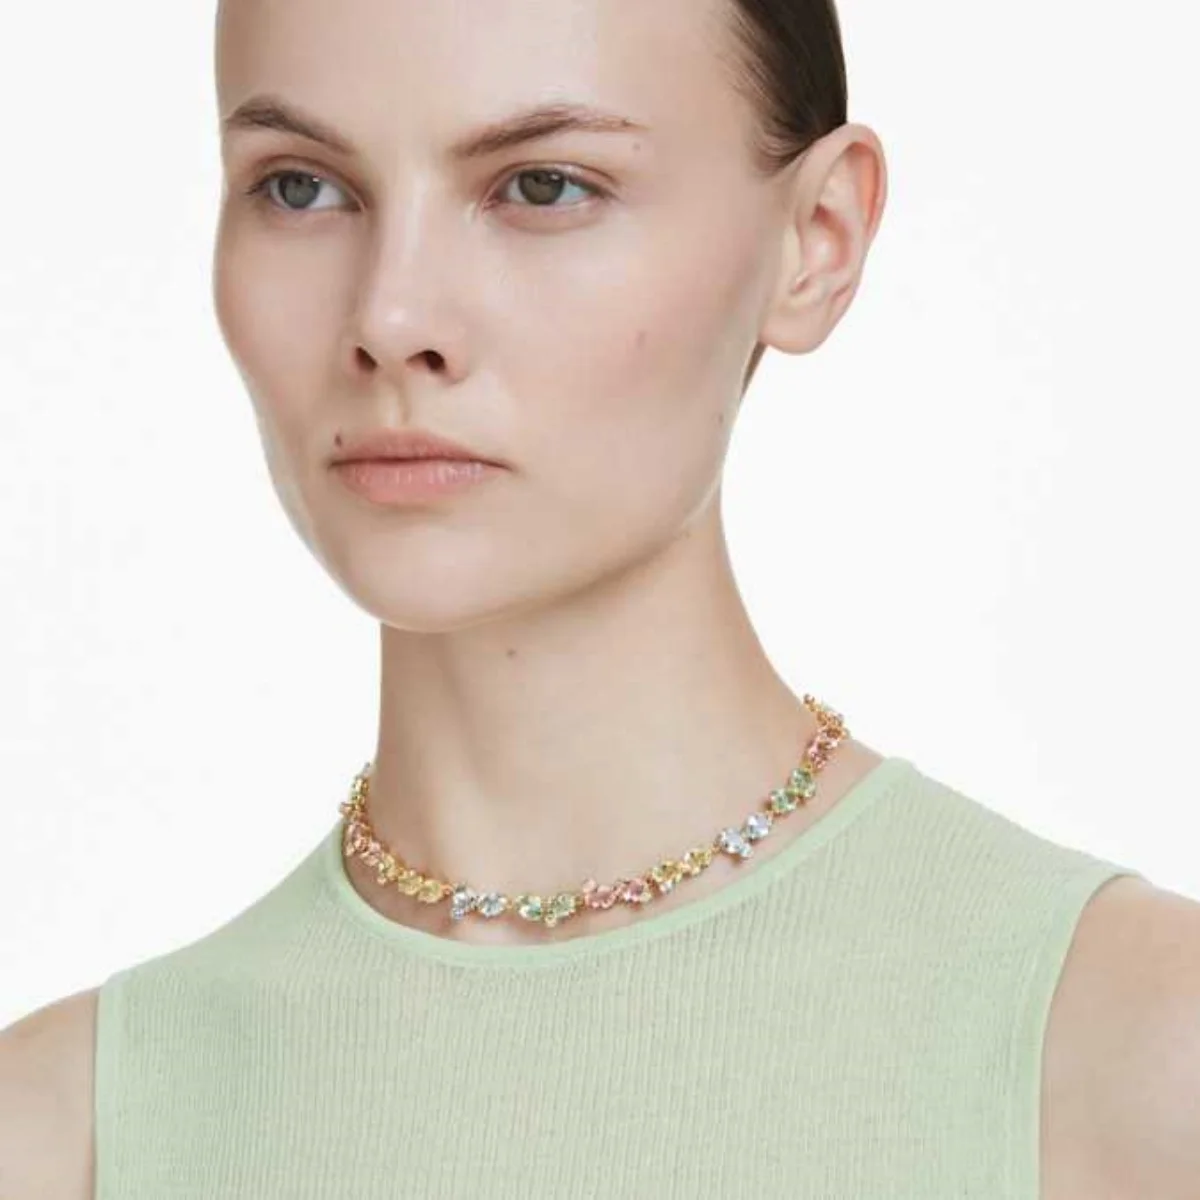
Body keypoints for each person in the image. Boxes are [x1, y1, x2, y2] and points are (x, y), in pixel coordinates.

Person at [3, 0, 1199, 1196]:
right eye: (301, 188)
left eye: (543, 187)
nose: (390, 319)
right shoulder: (62, 1138)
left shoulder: (1137, 1055)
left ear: (818, 236)